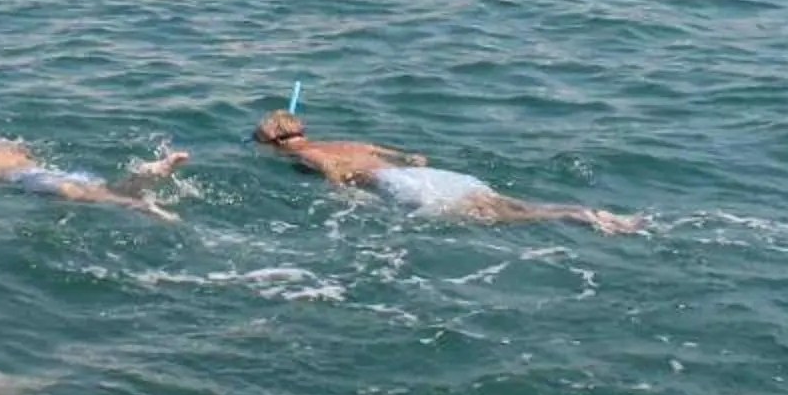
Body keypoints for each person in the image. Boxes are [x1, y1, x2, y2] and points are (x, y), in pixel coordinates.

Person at [252, 111, 642, 234]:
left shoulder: (309, 157)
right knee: (505, 205)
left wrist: (351, 203)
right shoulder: (349, 142)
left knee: (498, 220)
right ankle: (582, 211)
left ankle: (580, 217)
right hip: (440, 176)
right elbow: (414, 157)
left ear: (275, 143)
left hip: (401, 187)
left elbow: (335, 178)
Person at [0, 88, 189, 221]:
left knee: (89, 194)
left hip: (29, 180)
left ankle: (141, 206)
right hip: (40, 169)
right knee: (101, 188)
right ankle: (148, 175)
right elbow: (21, 149)